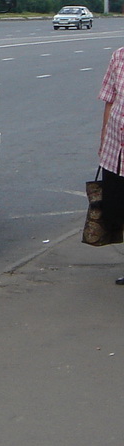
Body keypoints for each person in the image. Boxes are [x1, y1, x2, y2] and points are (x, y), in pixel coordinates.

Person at [97, 46, 124, 282]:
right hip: (117, 148)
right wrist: (104, 138)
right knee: (116, 210)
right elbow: (109, 100)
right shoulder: (118, 56)